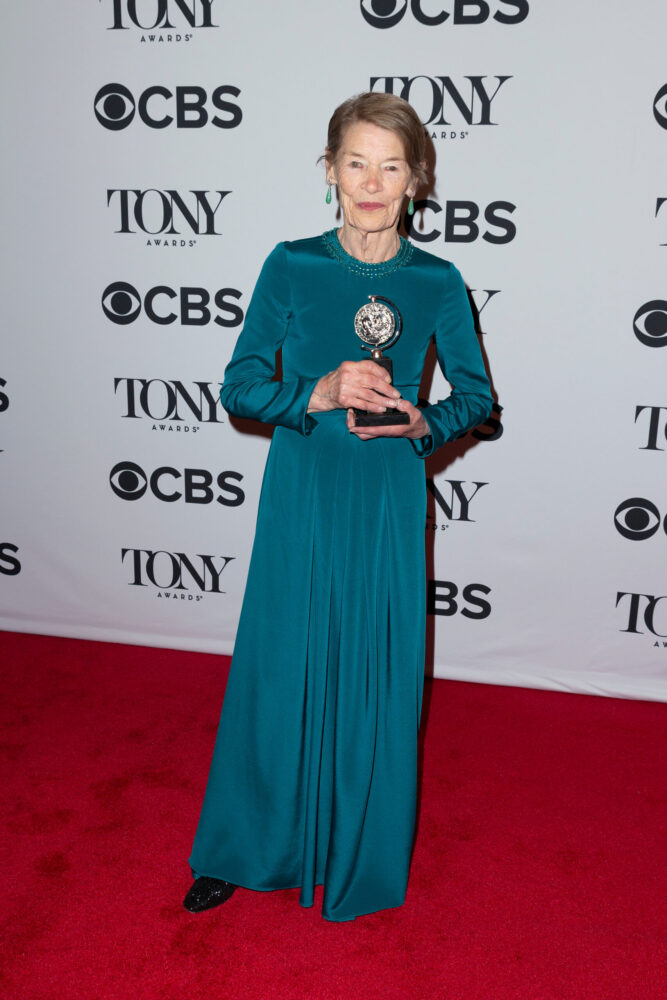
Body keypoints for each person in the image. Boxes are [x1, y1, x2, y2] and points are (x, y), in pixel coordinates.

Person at [184, 92, 493, 922]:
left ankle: (359, 853)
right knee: (278, 664)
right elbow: (239, 387)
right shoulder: (291, 264)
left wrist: (425, 423)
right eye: (356, 163)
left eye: (391, 167)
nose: (372, 183)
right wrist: (316, 391)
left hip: (387, 494)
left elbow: (475, 397)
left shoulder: (437, 280)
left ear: (416, 181)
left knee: (375, 672)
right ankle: (243, 851)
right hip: (304, 489)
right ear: (329, 171)